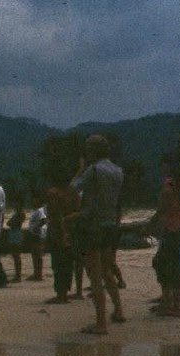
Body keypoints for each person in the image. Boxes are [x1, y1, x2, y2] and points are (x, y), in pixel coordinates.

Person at [71, 135, 126, 334]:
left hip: (93, 224)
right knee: (106, 270)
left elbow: (73, 189)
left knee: (95, 274)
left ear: (92, 150)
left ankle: (101, 322)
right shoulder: (118, 170)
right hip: (110, 223)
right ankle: (118, 310)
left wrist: (80, 168)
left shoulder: (93, 170)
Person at [148, 153, 180, 317]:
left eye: (164, 164)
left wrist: (150, 223)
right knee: (174, 266)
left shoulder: (169, 184)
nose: (162, 168)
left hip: (171, 229)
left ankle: (168, 304)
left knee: (162, 264)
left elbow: (162, 208)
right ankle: (174, 304)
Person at [45, 170, 81, 304]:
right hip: (72, 231)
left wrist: (62, 231)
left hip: (58, 232)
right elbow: (78, 211)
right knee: (67, 264)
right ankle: (64, 292)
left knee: (58, 263)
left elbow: (56, 214)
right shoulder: (73, 192)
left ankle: (61, 294)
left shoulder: (53, 193)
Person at [25, 198, 47, 281]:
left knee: (37, 255)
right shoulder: (35, 211)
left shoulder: (40, 210)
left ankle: (39, 274)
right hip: (34, 234)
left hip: (37, 235)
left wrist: (36, 228)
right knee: (34, 255)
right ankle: (36, 273)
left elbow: (44, 220)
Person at [6, 199, 25, 283]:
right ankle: (17, 275)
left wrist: (11, 222)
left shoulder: (20, 214)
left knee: (16, 255)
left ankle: (18, 276)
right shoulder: (17, 213)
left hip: (16, 234)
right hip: (15, 233)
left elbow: (10, 223)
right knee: (15, 256)